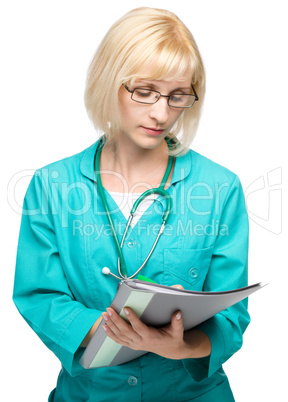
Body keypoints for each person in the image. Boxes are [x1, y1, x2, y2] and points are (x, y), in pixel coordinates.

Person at [13, 7, 250, 402]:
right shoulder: (52, 186)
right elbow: (39, 296)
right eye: (144, 92)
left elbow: (231, 315)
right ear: (109, 81)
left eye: (177, 96)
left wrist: (180, 347)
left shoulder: (220, 188)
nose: (162, 113)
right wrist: (113, 331)